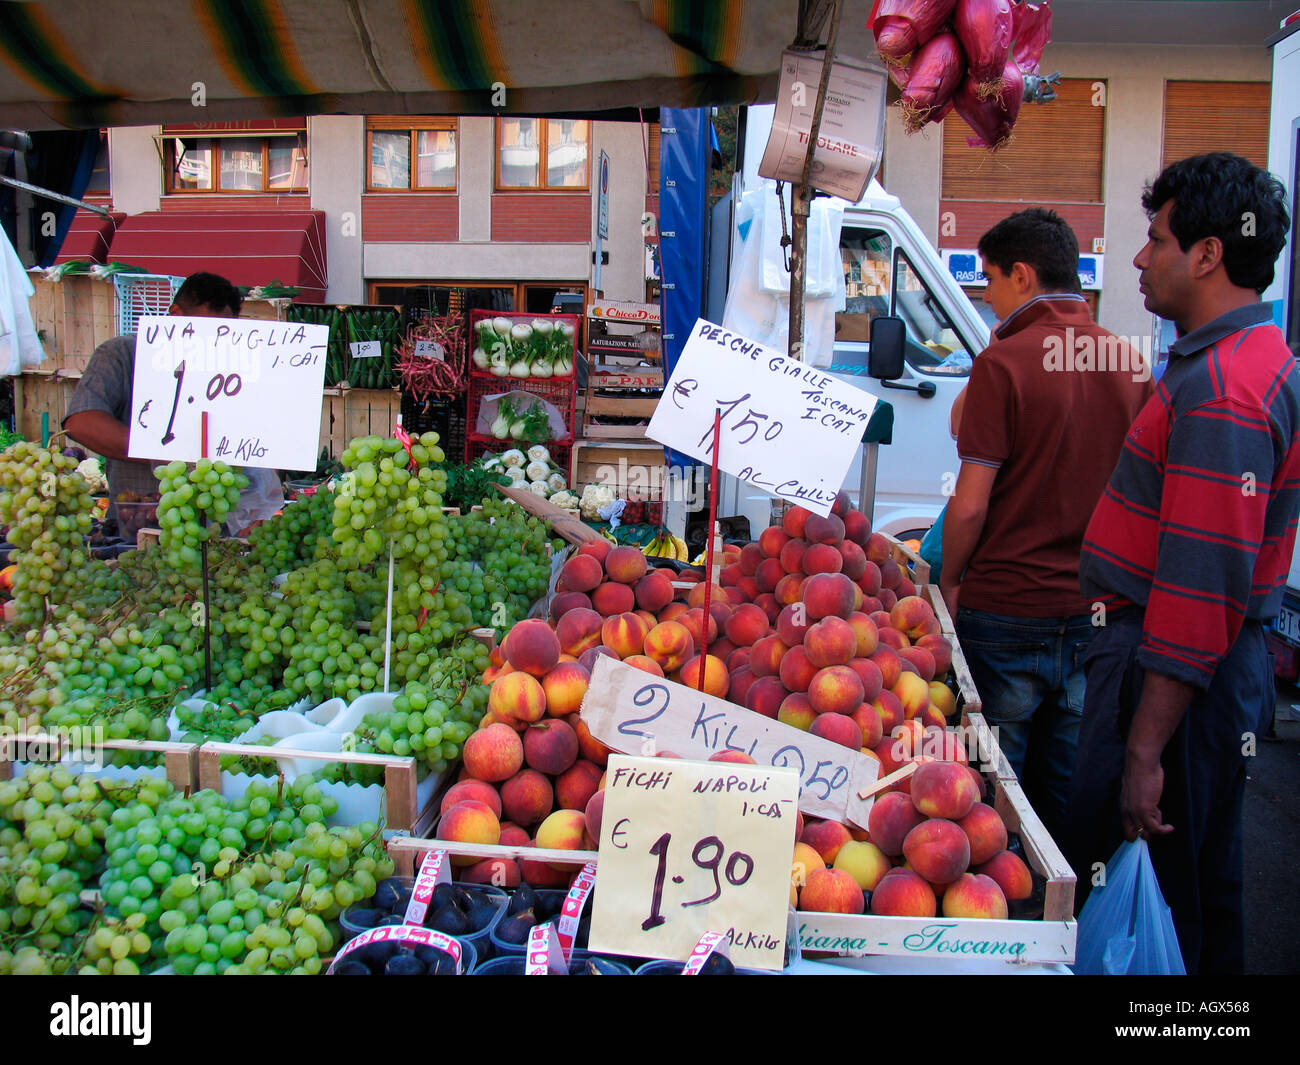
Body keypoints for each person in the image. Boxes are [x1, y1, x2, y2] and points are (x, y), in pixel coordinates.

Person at [1065, 153, 1298, 975]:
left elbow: (1200, 589)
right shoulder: (1231, 361)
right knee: (1192, 888)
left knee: (1168, 898)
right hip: (1183, 673)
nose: (1138, 258)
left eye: (1155, 238)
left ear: (1207, 254)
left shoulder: (1226, 388)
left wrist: (1143, 751)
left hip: (1170, 679)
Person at [939, 208, 1152, 840]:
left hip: (1006, 609)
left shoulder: (1003, 364)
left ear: (1023, 275)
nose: (988, 297)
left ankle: (1006, 926)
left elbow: (971, 503)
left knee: (993, 796)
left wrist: (951, 580)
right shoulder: (1131, 364)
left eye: (991, 282)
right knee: (1067, 796)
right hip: (1098, 610)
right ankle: (1065, 923)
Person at [64, 272, 282, 534]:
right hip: (141, 527)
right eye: (207, 331)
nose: (213, 342)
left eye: (224, 334)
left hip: (218, 535)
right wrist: (171, 453)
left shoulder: (229, 372)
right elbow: (82, 423)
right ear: (174, 315)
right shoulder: (123, 354)